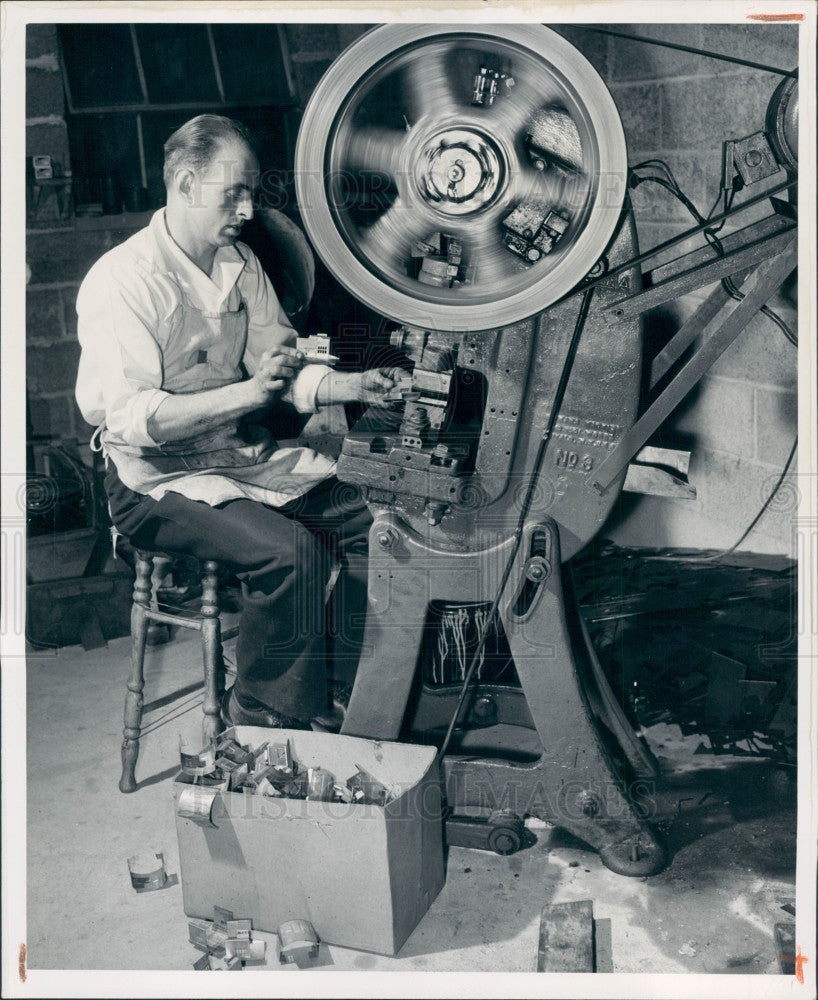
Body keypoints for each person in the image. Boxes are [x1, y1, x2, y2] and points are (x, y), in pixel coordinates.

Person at [75, 115, 398, 729]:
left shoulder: (241, 265)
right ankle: (260, 714)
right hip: (150, 479)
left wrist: (352, 384)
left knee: (379, 518)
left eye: (252, 192)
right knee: (291, 556)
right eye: (235, 193)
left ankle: (340, 689)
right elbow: (137, 419)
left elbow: (283, 370)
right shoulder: (123, 280)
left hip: (232, 454)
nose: (249, 209)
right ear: (186, 182)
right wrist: (248, 395)